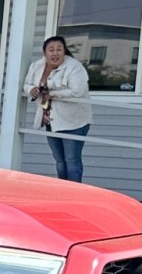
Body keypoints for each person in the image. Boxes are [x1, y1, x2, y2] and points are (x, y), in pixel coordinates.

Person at [22, 35, 92, 181]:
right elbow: (27, 84)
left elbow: (76, 91)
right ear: (44, 52)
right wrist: (31, 90)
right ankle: (63, 192)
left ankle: (75, 194)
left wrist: (51, 94)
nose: (55, 53)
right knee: (59, 160)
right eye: (51, 50)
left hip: (74, 121)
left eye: (59, 49)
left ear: (64, 51)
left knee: (72, 160)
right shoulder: (36, 66)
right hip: (51, 120)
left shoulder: (74, 67)